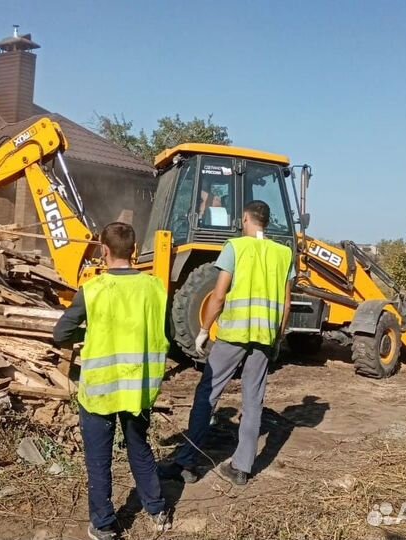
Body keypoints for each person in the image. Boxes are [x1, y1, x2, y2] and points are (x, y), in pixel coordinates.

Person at [159, 200, 294, 486]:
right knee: (253, 399)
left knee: (208, 392)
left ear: (246, 218)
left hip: (233, 335)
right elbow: (286, 302)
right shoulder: (284, 254)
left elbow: (218, 296)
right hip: (265, 338)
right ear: (267, 221)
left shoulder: (235, 247)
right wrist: (279, 336)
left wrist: (204, 329)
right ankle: (242, 468)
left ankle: (187, 463)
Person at [53, 222, 171, 540]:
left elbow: (59, 334)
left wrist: (86, 332)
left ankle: (104, 525)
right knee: (140, 448)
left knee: (98, 459)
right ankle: (158, 510)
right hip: (138, 390)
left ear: (104, 251)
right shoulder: (155, 288)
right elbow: (166, 334)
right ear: (133, 250)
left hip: (100, 391)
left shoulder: (92, 290)